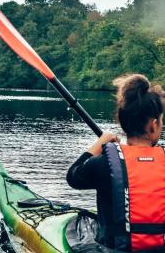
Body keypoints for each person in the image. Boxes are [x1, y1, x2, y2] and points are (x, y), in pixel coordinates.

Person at [66, 74, 165, 252]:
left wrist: (99, 144)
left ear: (122, 121)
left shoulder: (103, 164)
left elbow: (73, 176)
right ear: (154, 124)